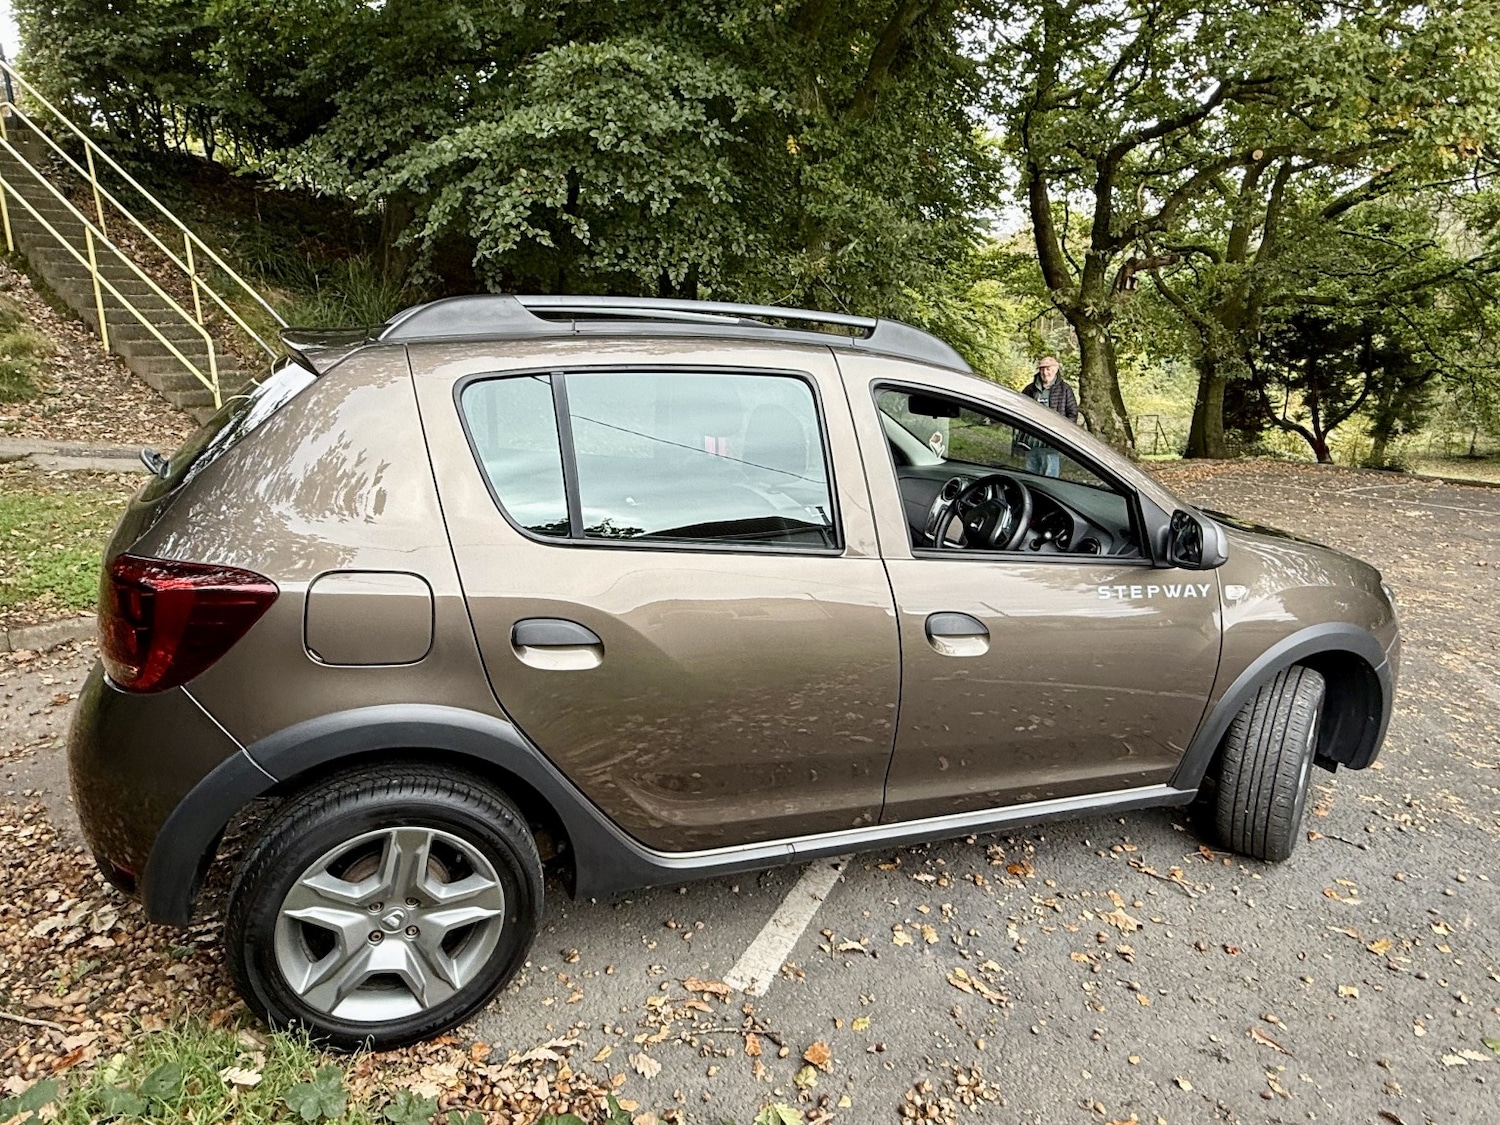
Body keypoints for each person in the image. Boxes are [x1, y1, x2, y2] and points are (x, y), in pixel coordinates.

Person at [1021, 356, 1078, 477]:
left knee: (1050, 478)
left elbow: (1072, 413)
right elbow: (1020, 409)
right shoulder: (1030, 389)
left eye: (1048, 369)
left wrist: (1062, 434)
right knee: (1030, 477)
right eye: (1042, 369)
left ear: (1056, 369)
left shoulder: (1065, 389)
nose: (1045, 372)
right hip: (1031, 443)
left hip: (1051, 443)